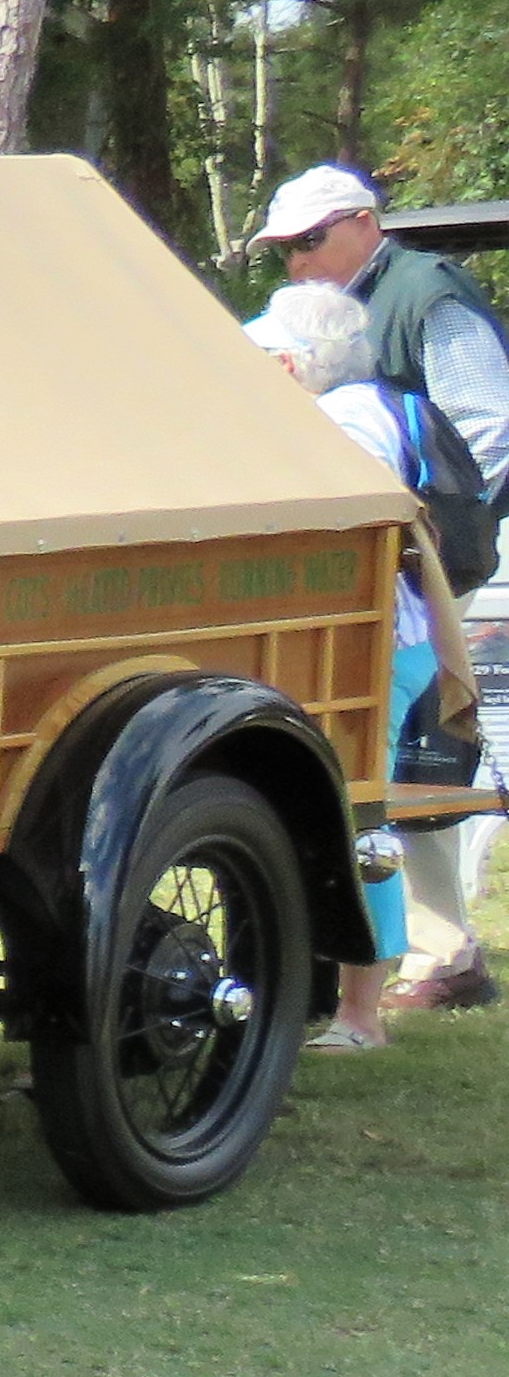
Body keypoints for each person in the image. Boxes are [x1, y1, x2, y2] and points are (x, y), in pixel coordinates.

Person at [258, 165, 509, 1008]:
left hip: (416, 564)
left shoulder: (425, 292)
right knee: (390, 749)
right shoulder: (338, 306)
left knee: (409, 751)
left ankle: (441, 954)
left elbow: (490, 425)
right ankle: (413, 948)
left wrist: (434, 545)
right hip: (384, 564)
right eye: (285, 249)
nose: (296, 261)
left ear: (365, 223)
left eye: (308, 240)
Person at [247, 279, 443, 1050]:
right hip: (381, 644)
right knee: (348, 809)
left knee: (360, 816)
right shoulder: (369, 408)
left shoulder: (344, 422)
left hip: (372, 650)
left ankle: (361, 1016)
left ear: (289, 364)